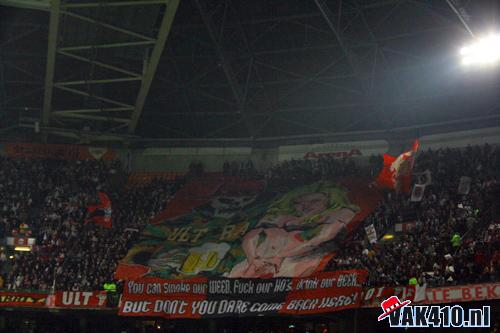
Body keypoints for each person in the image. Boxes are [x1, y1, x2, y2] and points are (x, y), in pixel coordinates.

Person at [229, 181, 359, 278]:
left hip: (303, 263)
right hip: (263, 262)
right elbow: (251, 236)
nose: (306, 206)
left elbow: (317, 238)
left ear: (330, 202)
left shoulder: (340, 214)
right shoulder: (281, 217)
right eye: (300, 202)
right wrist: (253, 258)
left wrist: (279, 256)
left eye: (315, 201)